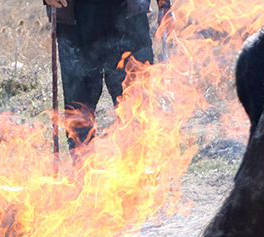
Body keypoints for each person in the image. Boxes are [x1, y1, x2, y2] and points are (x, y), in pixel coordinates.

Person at [44, 0, 172, 150]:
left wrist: (164, 4)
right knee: (78, 116)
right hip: (76, 17)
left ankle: (135, 170)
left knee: (135, 108)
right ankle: (82, 171)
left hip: (127, 14)